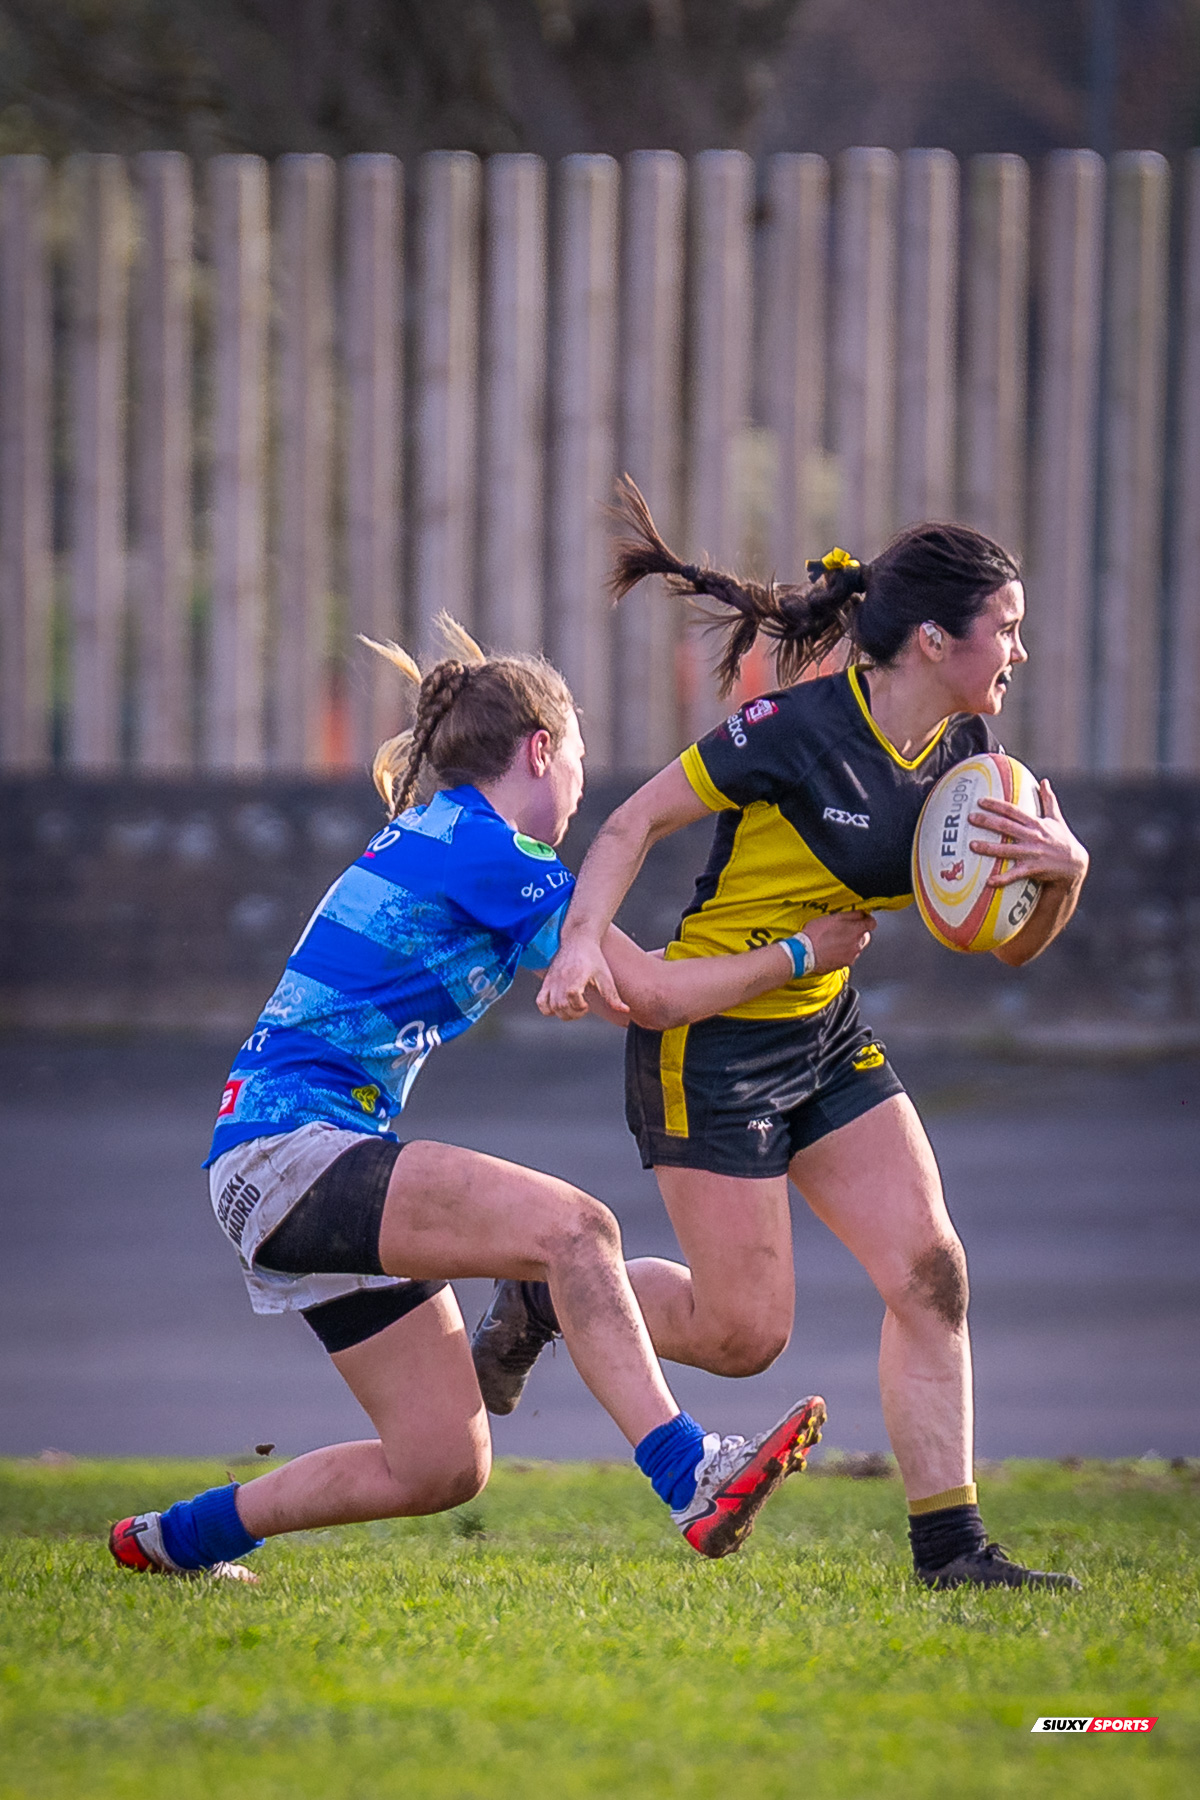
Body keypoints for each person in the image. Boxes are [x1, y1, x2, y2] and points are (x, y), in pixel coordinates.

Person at [107, 616, 863, 1584]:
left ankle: (174, 1540)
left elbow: (630, 989)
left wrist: (643, 967)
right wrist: (803, 955)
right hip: (294, 1151)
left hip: (273, 1163)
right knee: (576, 1229)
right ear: (541, 750)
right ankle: (690, 1474)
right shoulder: (491, 850)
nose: (583, 790)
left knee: (440, 1463)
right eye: (578, 762)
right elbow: (656, 999)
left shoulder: (450, 842)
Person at [473, 481, 1090, 1592]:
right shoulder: (796, 732)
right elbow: (629, 823)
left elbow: (1006, 947)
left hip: (823, 1028)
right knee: (742, 1334)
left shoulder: (972, 752)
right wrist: (581, 947)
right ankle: (545, 1297)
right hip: (710, 1042)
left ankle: (952, 1551)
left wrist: (1063, 879)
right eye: (1008, 629)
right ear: (937, 639)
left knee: (932, 1268)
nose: (1021, 652)